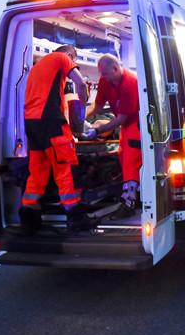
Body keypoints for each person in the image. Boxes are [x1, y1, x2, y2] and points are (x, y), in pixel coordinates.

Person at [19, 44, 91, 235]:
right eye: (74, 61)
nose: (73, 65)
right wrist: (81, 117)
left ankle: (29, 218)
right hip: (50, 121)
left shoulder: (37, 66)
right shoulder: (61, 58)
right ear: (70, 55)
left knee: (37, 169)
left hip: (31, 122)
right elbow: (81, 85)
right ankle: (76, 218)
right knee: (65, 166)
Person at [83, 54, 141, 219]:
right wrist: (82, 117)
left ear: (115, 68)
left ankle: (128, 204)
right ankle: (133, 197)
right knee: (123, 158)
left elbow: (121, 118)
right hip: (125, 125)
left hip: (135, 124)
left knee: (130, 162)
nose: (102, 77)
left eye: (105, 73)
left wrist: (97, 131)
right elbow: (99, 103)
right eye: (101, 73)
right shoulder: (106, 80)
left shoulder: (130, 83)